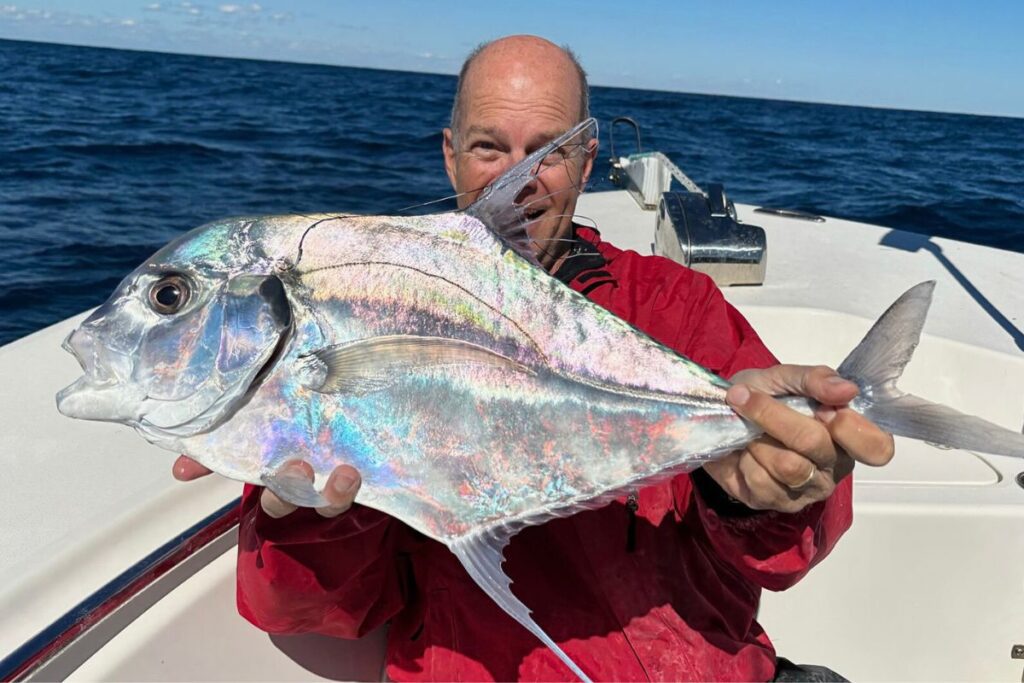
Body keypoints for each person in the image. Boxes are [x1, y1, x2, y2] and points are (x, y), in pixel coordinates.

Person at [176, 35, 894, 681]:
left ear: (585, 162)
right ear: (450, 153)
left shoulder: (677, 307)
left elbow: (791, 546)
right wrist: (320, 515)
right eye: (490, 146)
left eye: (549, 149)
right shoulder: (366, 302)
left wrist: (761, 491)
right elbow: (306, 609)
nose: (518, 179)